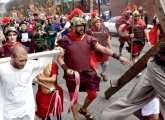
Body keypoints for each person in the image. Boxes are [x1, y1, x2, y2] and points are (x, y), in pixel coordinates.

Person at [57, 17, 130, 120]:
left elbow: (103, 49)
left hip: (86, 72)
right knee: (74, 99)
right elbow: (59, 57)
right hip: (72, 74)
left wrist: (118, 57)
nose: (82, 28)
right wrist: (65, 69)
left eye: (83, 26)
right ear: (73, 27)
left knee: (92, 94)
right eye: (79, 26)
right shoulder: (65, 40)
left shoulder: (88, 38)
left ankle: (83, 109)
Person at [100, 42, 165, 120]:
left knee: (154, 116)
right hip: (148, 92)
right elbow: (122, 32)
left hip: (156, 92)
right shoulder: (154, 65)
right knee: (135, 58)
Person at [0, 45, 59, 120]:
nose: (24, 63)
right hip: (8, 110)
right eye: (21, 61)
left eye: (25, 60)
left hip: (26, 109)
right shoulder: (2, 69)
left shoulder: (30, 65)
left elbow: (43, 62)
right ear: (12, 57)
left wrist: (54, 51)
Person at [35, 44, 63, 120]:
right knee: (45, 115)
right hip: (42, 92)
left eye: (48, 54)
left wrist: (41, 79)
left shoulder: (53, 64)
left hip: (53, 91)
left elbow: (54, 79)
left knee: (57, 114)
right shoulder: (36, 65)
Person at [90, 16, 112, 81]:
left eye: (99, 22)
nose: (98, 23)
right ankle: (96, 75)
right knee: (95, 64)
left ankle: (103, 73)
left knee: (105, 63)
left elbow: (108, 39)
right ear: (94, 23)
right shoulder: (90, 31)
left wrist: (110, 48)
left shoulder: (105, 29)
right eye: (96, 22)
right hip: (95, 50)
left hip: (104, 49)